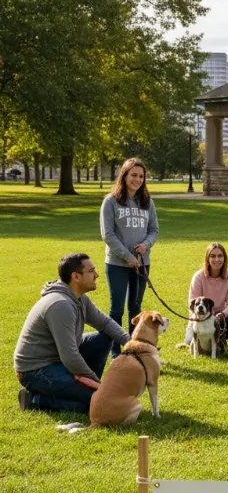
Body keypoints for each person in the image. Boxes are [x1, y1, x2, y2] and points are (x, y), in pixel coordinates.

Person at [14, 253, 130, 412]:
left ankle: (83, 388)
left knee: (104, 337)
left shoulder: (79, 298)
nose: (96, 275)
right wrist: (98, 384)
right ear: (76, 276)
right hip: (36, 370)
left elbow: (105, 323)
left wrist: (131, 343)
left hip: (59, 359)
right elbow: (70, 356)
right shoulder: (61, 305)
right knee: (97, 403)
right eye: (91, 271)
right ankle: (35, 399)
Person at [100, 157, 159, 355]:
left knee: (136, 309)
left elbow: (154, 230)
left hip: (142, 263)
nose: (137, 179)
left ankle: (135, 349)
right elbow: (107, 235)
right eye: (133, 175)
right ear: (124, 175)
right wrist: (127, 256)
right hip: (117, 263)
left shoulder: (147, 202)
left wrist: (146, 244)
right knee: (116, 309)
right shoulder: (111, 202)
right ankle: (116, 352)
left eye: (141, 176)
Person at [182, 243, 228, 346]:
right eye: (213, 256)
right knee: (190, 344)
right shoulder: (198, 277)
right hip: (201, 316)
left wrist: (221, 315)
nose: (217, 259)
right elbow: (192, 304)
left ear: (224, 258)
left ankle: (219, 338)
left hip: (221, 317)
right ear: (207, 259)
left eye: (220, 256)